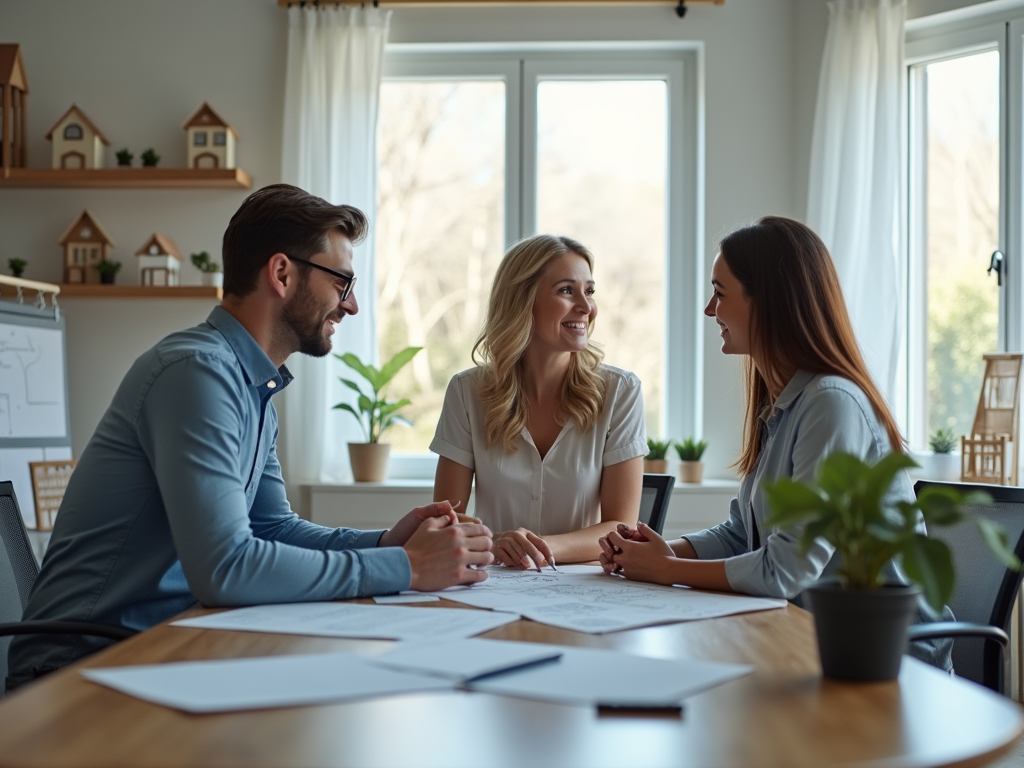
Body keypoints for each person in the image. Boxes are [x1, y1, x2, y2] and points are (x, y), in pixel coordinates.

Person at [7, 184, 494, 691]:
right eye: (342, 283)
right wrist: (404, 567)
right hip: (80, 667)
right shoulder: (196, 372)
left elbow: (272, 528)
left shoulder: (250, 385)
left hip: (162, 646)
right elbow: (225, 567)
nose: (350, 307)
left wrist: (385, 543)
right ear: (281, 273)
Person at [598, 215, 952, 670]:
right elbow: (741, 535)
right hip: (814, 640)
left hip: (886, 661)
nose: (710, 310)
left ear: (768, 302)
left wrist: (666, 570)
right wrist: (659, 551)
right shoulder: (785, 406)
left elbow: (786, 568)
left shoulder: (831, 403)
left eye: (720, 293)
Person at [431, 234, 646, 569]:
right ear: (522, 301)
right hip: (493, 585)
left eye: (589, 291)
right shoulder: (467, 391)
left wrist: (537, 548)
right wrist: (495, 542)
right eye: (566, 290)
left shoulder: (620, 392)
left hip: (585, 591)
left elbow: (621, 529)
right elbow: (447, 520)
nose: (586, 307)